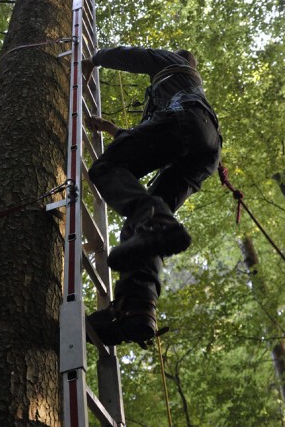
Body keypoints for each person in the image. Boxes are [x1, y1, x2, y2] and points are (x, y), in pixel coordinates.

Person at [82, 45, 222, 348]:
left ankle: (155, 224)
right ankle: (135, 310)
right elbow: (151, 138)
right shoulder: (180, 86)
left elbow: (132, 56)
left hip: (185, 122)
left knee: (108, 168)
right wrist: (112, 129)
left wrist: (93, 60)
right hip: (204, 148)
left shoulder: (174, 63)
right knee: (140, 228)